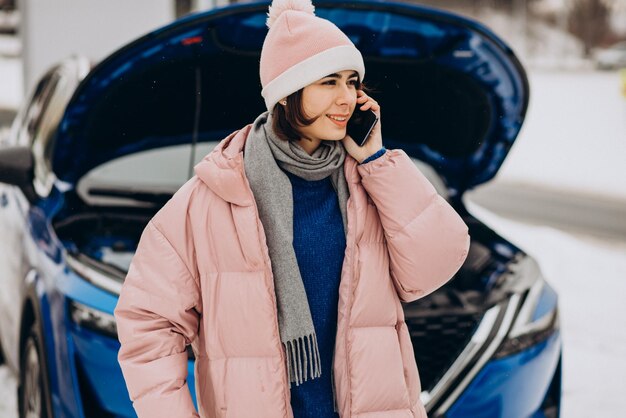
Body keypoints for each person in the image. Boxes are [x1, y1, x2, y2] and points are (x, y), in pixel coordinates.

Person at [113, 1, 470, 417]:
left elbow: (436, 263)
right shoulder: (210, 199)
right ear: (288, 92)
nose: (348, 98)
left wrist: (376, 160)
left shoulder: (370, 184)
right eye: (328, 82)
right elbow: (149, 324)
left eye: (353, 82)